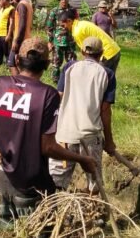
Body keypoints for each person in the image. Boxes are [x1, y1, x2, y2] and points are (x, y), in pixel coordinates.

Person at [0, 37, 97, 227]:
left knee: (4, 231)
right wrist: (82, 159)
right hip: (31, 187)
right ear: (46, 65)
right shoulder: (48, 95)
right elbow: (48, 147)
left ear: (17, 61)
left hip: (3, 181)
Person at [49, 37, 117, 193]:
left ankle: (54, 207)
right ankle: (91, 203)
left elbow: (58, 97)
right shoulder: (107, 74)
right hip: (90, 138)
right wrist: (109, 141)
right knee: (95, 183)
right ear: (102, 53)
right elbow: (105, 111)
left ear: (82, 51)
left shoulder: (69, 67)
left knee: (55, 184)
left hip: (65, 136)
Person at [45, 0, 79, 83]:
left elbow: (77, 24)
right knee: (56, 63)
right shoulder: (54, 11)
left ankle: (72, 80)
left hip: (70, 41)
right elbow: (49, 27)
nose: (64, 0)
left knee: (72, 62)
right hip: (57, 42)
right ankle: (55, 81)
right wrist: (50, 41)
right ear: (59, 0)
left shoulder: (73, 11)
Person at [7, 0, 33, 76]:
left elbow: (22, 25)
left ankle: (18, 82)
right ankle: (22, 81)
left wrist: (17, 41)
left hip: (21, 39)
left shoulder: (21, 5)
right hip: (26, 38)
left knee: (11, 63)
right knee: (20, 64)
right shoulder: (27, 4)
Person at [0, 0, 14, 65]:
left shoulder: (11, 9)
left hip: (6, 34)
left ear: (4, 0)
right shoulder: (2, 9)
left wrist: (9, 35)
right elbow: (0, 22)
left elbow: (11, 23)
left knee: (7, 51)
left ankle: (9, 66)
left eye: (0, 0)